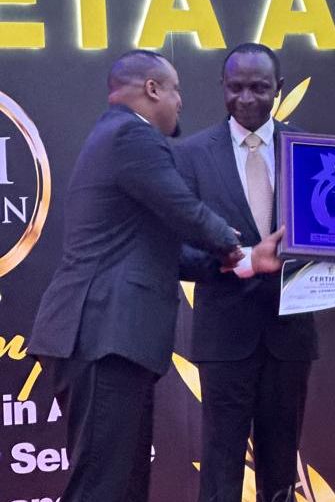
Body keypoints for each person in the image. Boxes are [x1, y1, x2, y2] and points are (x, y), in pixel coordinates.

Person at [27, 50, 282, 502]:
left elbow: (165, 252)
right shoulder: (131, 135)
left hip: (111, 341)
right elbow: (183, 210)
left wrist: (244, 262)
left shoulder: (114, 138)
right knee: (102, 487)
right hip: (102, 336)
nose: (180, 102)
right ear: (152, 89)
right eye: (175, 90)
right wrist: (232, 244)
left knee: (124, 485)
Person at [175, 42, 335, 502]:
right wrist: (241, 259)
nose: (246, 98)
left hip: (289, 338)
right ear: (222, 86)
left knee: (282, 469)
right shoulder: (190, 156)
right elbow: (177, 254)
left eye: (259, 88)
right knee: (221, 469)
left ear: (279, 89)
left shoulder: (313, 154)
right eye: (236, 87)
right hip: (224, 339)